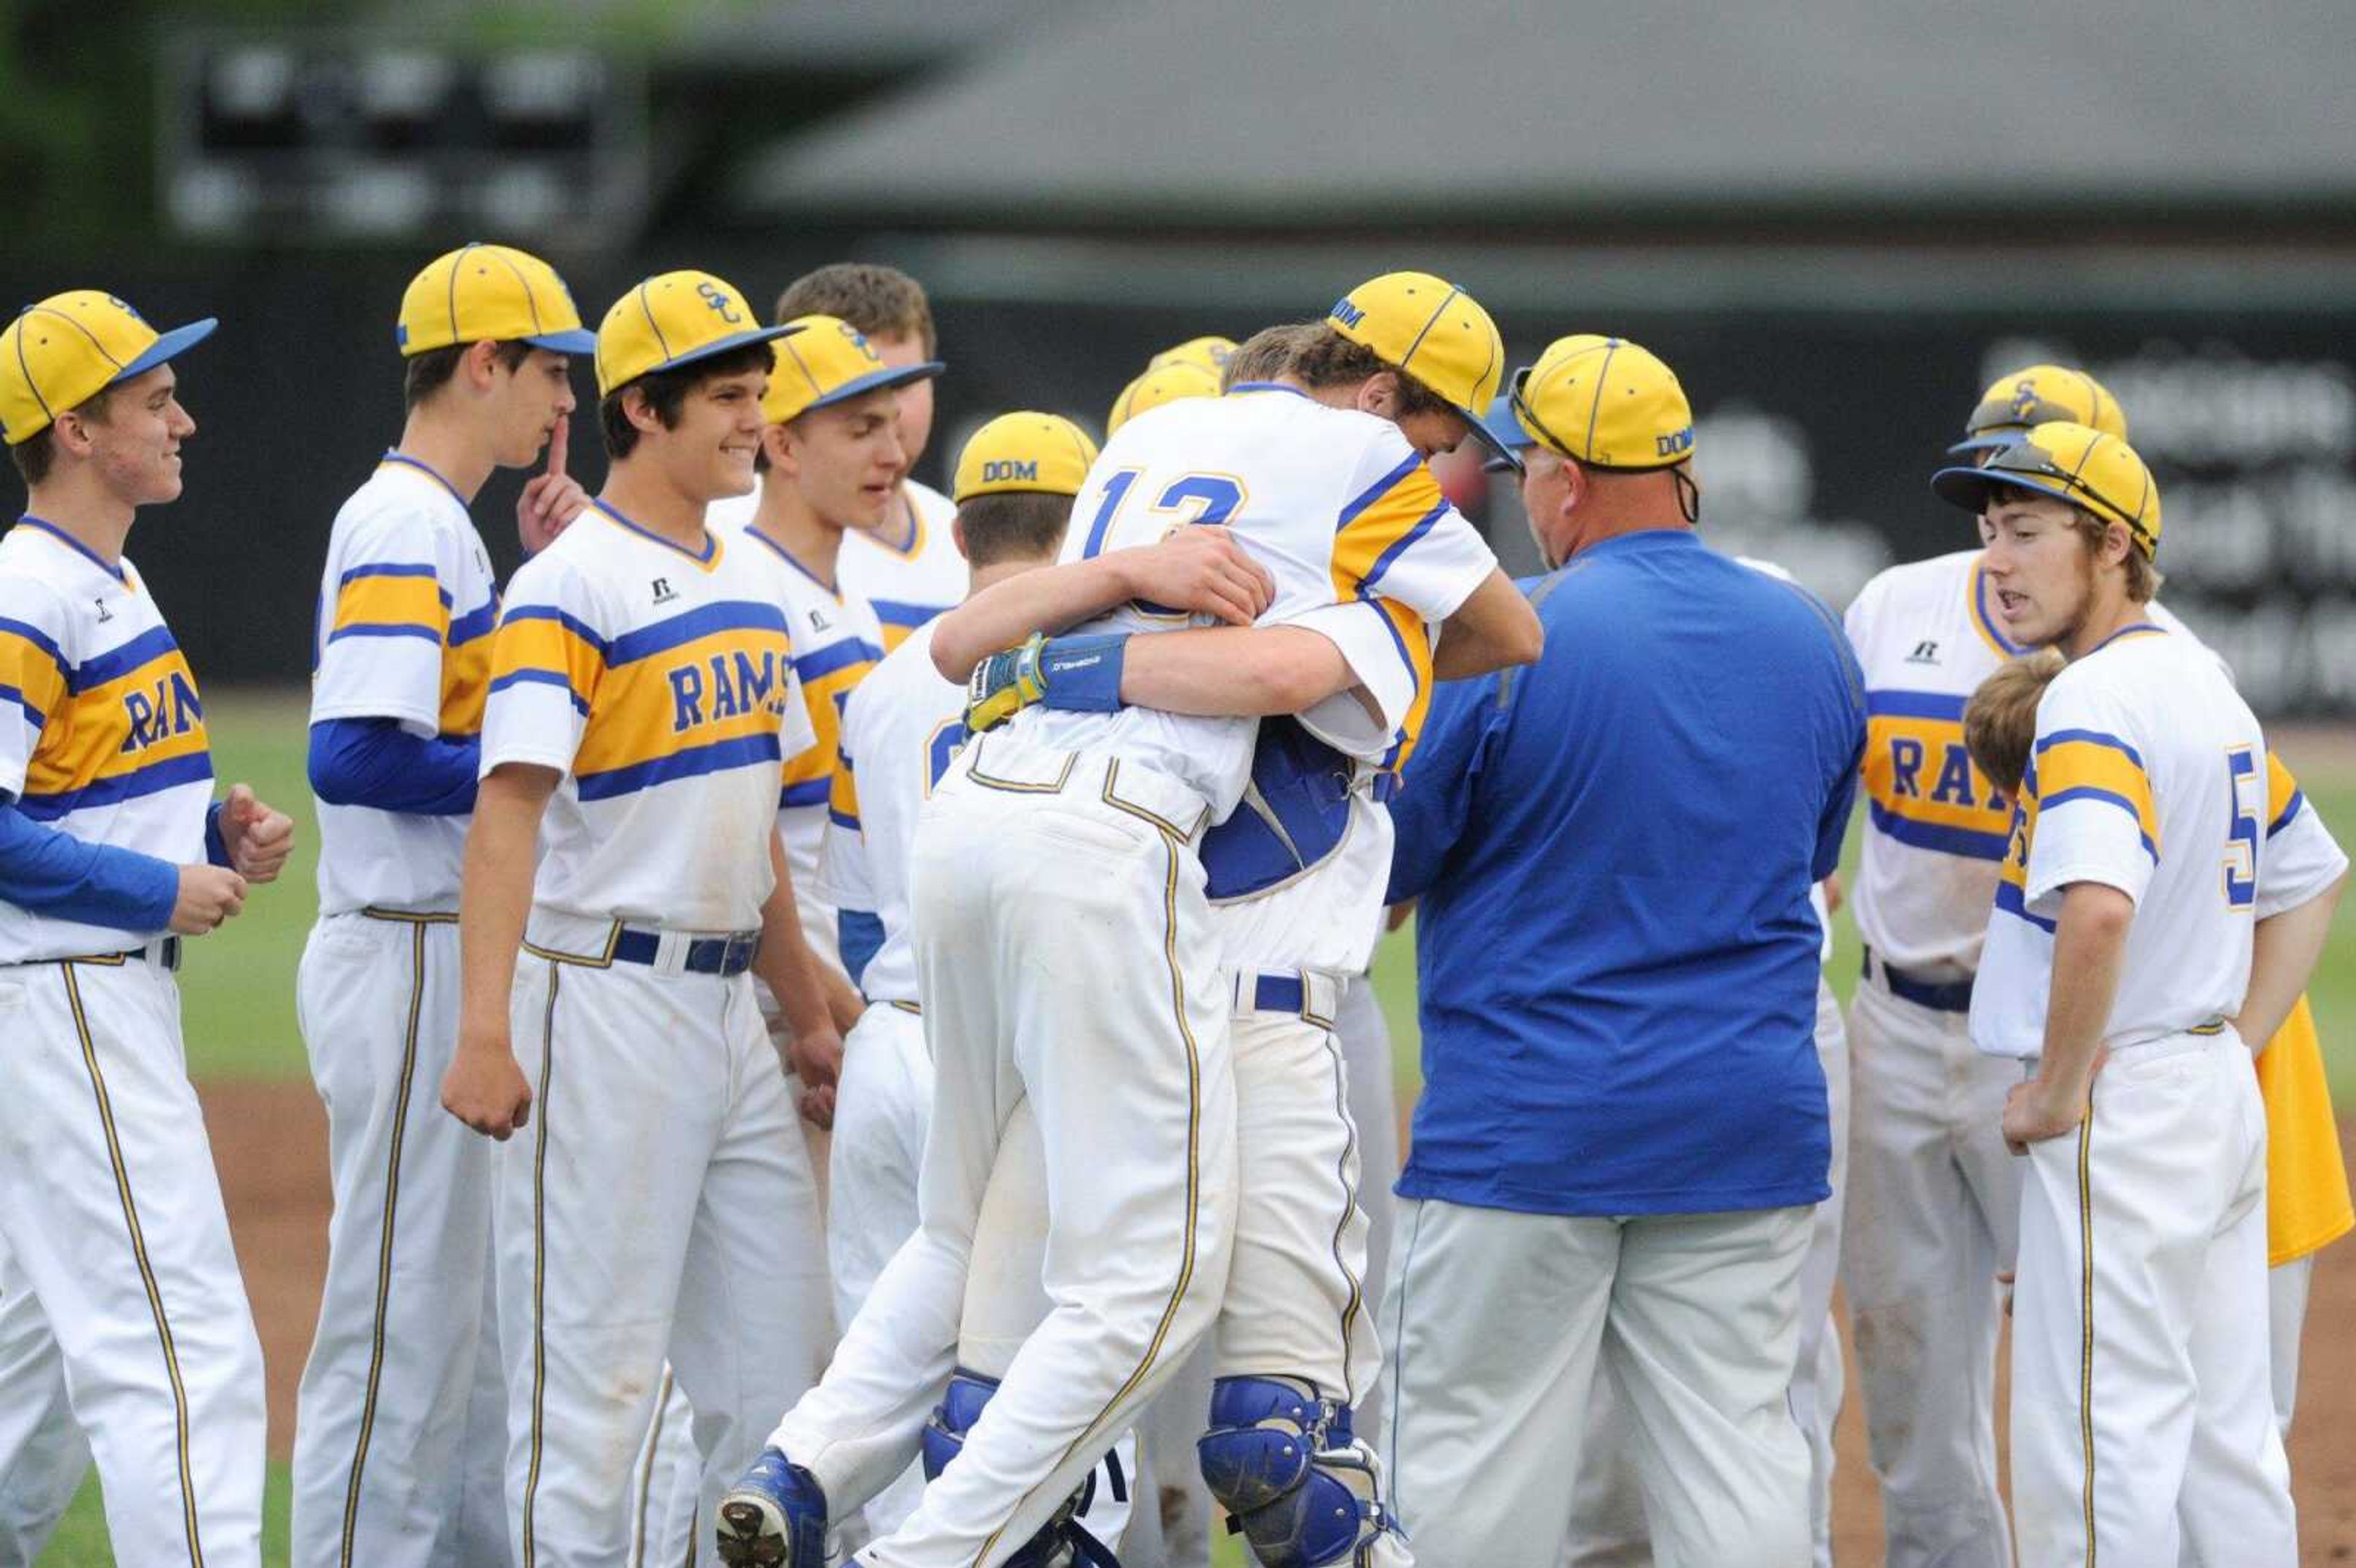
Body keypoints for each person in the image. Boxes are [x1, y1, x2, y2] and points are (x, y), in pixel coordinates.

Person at [717, 269, 1541, 1567]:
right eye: (1439, 446)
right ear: (1381, 398)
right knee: (1147, 1315)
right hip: (1137, 903)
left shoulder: (1146, 461)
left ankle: (803, 1467)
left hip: (976, 865)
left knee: (971, 1282)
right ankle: (919, 1553)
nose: (1440, 481)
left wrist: (1073, 652)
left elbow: (964, 652)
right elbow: (1490, 633)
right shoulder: (1359, 523)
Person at [1381, 334, 1865, 1567]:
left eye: (1524, 463)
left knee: (1469, 1458)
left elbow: (1389, 863)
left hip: (1528, 1125)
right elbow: (1812, 861)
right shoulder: (1807, 632)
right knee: (1740, 1451)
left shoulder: (1506, 636)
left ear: (1567, 481)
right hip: (1743, 1118)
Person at [436, 269, 845, 1566]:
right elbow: (508, 814)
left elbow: (760, 839)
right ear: (643, 410)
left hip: (728, 1011)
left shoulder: (752, 583)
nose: (755, 420)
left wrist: (803, 1008)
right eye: (729, 397)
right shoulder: (568, 586)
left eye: (758, 393)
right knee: (591, 1398)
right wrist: (484, 1031)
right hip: (599, 1002)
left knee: (783, 1389)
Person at [1929, 422, 2343, 1565]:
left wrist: (2058, 1093)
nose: (1995, 563)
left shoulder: (2094, 700)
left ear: (2112, 543)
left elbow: (2099, 910)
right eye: (1986, 534)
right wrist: (2229, 1045)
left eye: (2024, 532)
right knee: (2226, 1441)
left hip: (2126, 1105)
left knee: (2097, 1446)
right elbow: (2312, 881)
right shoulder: (2202, 680)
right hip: (2207, 1090)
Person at [290, 240, 595, 1568]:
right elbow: (352, 754)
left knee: (460, 1337)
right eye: (552, 372)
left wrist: (532, 601)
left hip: (435, 944)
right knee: (398, 1329)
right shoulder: (407, 520)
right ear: (484, 363)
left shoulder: (446, 528)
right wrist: (538, 758)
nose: (567, 405)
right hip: (406, 949)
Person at [0, 290, 297, 1566]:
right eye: (153, 399)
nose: (185, 417)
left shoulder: (104, 574)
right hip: (68, 991)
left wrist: (210, 847)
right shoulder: (30, 589)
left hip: (84, 990)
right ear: (75, 428)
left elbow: (84, 789)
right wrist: (152, 891)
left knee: (35, 1381)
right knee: (180, 1353)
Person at [825, 410, 1142, 1549]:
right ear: (1091, 527)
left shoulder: (884, 681)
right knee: (1057, 1386)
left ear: (959, 532)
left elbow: (858, 911)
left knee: (882, 1384)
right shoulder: (1108, 663)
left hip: (896, 1038)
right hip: (1025, 1067)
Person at [1837, 363, 2130, 1567]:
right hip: (1895, 1023)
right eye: (1996, 491)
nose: (2004, 524)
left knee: (2098, 1362)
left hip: (2056, 1037)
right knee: (1908, 1370)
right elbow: (1825, 777)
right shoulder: (1892, 604)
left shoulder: (2130, 661)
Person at [710, 312, 941, 989]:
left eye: (892, 427)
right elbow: (742, 854)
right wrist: (826, 1020)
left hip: (836, 994)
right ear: (783, 447)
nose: (894, 456)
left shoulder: (853, 604)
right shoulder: (749, 597)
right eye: (861, 430)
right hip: (776, 1000)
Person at [774, 264, 964, 648]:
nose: (888, 413)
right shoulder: (735, 540)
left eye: (903, 385)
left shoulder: (961, 537)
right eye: (858, 393)